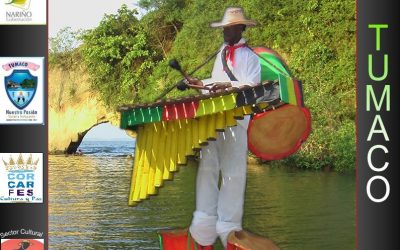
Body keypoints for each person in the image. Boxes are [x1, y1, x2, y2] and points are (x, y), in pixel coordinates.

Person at [185, 7, 267, 249]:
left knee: (233, 173)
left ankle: (229, 227)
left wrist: (228, 85)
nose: (225, 32)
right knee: (208, 167)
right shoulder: (221, 53)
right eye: (224, 28)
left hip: (237, 119)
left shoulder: (251, 58)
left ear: (241, 29)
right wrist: (201, 84)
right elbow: (214, 83)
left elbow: (252, 86)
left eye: (229, 28)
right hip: (215, 117)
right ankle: (204, 225)